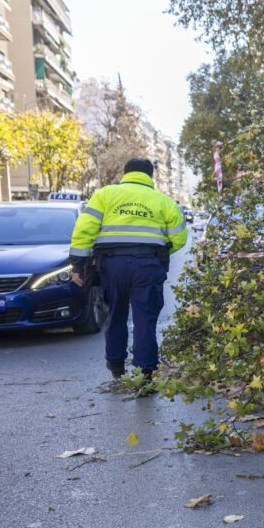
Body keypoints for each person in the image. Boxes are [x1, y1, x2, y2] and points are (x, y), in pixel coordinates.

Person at [68, 158, 188, 391]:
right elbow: (179, 238)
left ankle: (116, 365)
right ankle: (144, 374)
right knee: (145, 319)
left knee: (116, 313)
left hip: (111, 265)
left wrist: (77, 266)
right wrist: (158, 253)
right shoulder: (163, 201)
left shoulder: (105, 195)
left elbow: (84, 230)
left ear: (125, 173)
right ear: (150, 176)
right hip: (147, 264)